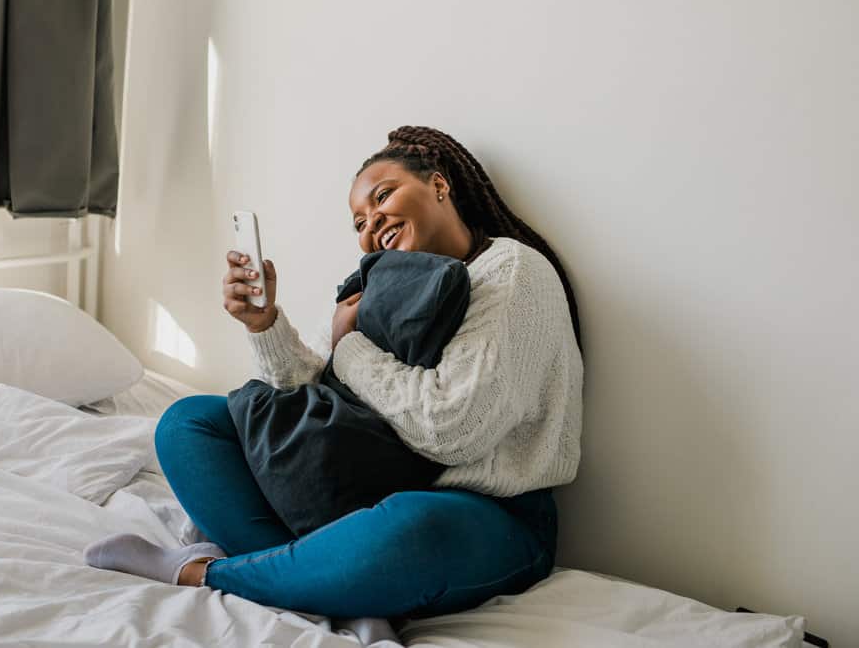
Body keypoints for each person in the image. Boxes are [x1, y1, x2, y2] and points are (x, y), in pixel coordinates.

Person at [84, 125, 584, 623]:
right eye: (359, 223)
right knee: (189, 423)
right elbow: (314, 404)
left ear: (438, 185)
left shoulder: (512, 272)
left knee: (411, 528)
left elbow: (452, 430)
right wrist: (265, 324)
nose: (371, 227)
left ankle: (211, 574)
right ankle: (317, 575)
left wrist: (349, 345)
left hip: (487, 513)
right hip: (366, 485)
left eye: (383, 197)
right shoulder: (383, 284)